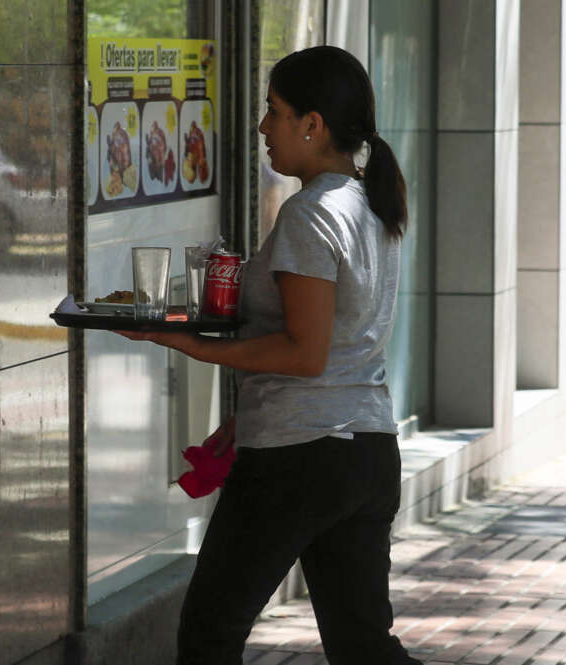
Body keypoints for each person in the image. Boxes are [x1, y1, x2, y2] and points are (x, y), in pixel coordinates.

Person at [116, 46, 423, 665]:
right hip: (364, 449)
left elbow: (306, 354)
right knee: (364, 648)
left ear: (313, 125)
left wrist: (194, 345)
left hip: (299, 458)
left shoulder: (312, 214)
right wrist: (245, 416)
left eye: (273, 111)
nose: (262, 128)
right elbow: (333, 347)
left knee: (209, 633)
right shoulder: (367, 203)